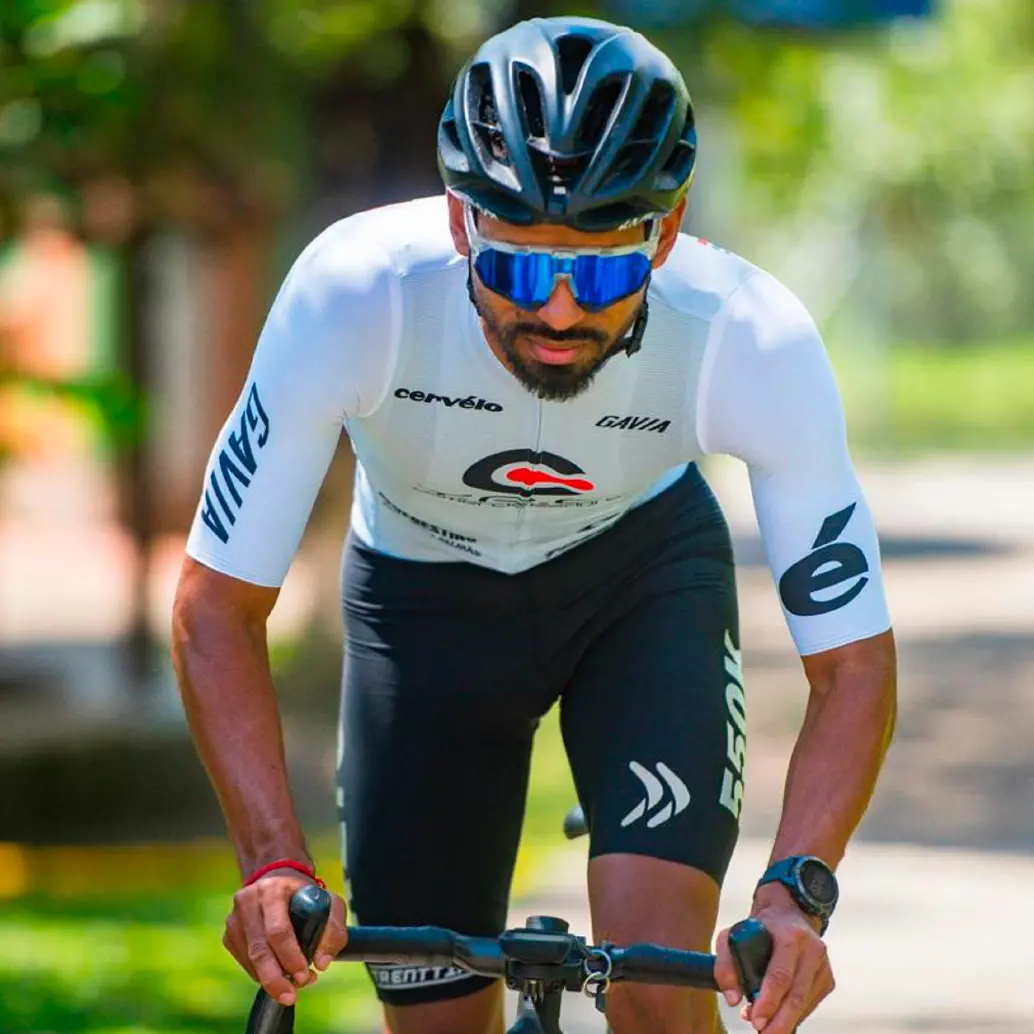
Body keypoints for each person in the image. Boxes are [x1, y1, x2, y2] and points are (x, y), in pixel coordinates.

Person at [172, 15, 896, 1034]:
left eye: (600, 273)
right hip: (419, 605)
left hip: (638, 583)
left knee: (659, 990)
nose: (557, 312)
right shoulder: (357, 294)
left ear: (666, 232)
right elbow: (214, 608)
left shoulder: (746, 336)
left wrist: (794, 893)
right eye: (516, 268)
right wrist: (272, 865)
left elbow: (853, 666)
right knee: (433, 1015)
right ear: (459, 222)